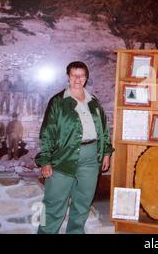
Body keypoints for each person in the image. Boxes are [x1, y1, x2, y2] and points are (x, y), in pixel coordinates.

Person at [35, 61, 114, 234]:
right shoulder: (57, 102)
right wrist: (45, 161)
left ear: (86, 78)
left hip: (91, 158)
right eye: (74, 75)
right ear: (68, 77)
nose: (78, 79)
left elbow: (103, 129)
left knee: (83, 203)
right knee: (53, 204)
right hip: (63, 158)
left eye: (81, 75)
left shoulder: (94, 102)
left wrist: (106, 152)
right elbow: (48, 132)